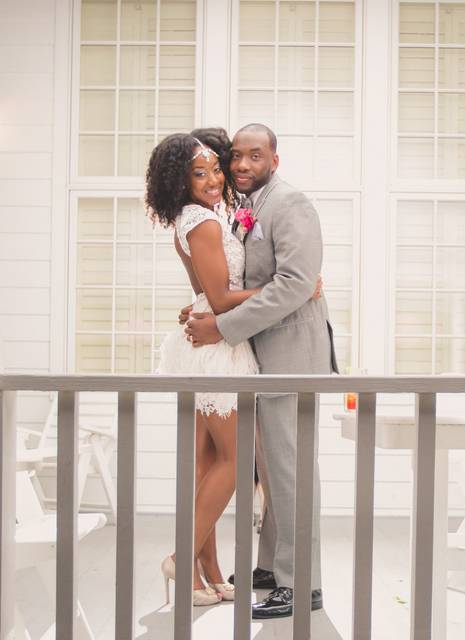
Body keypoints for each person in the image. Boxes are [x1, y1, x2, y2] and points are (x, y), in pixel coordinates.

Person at [148, 128, 324, 607]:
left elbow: (269, 282)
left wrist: (210, 312)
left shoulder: (283, 204)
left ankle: (248, 575)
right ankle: (192, 564)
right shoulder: (206, 218)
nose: (233, 169)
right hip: (226, 345)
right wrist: (214, 313)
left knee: (257, 467)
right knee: (239, 463)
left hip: (271, 350)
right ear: (179, 180)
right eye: (232, 159)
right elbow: (232, 289)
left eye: (248, 157)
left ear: (274, 157)